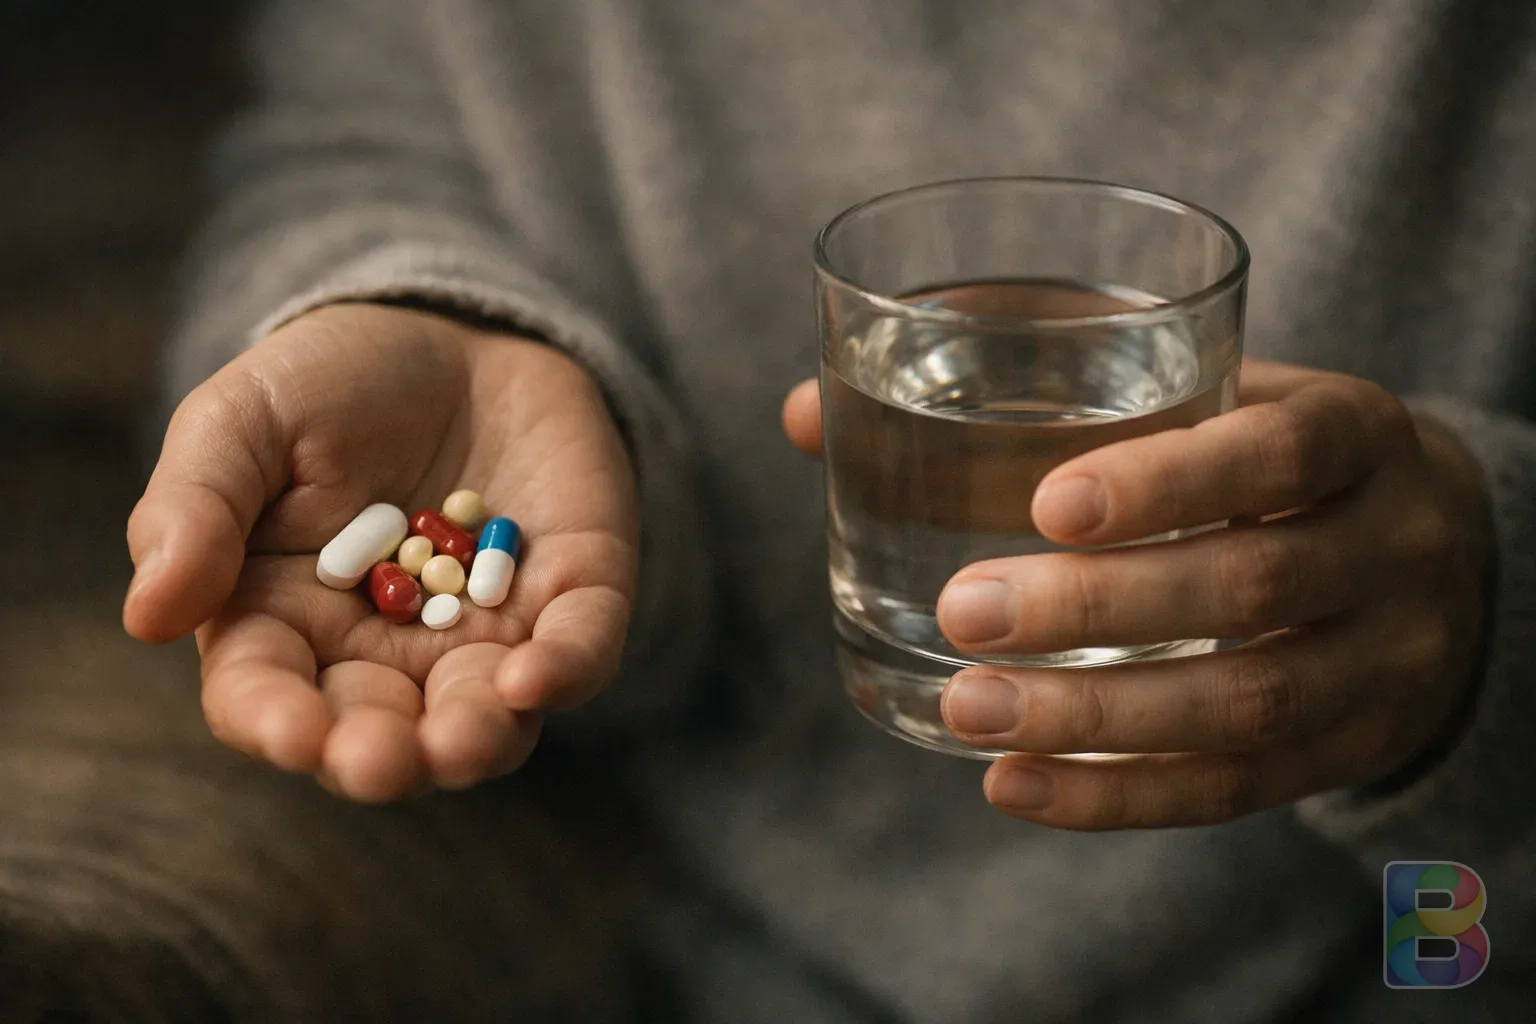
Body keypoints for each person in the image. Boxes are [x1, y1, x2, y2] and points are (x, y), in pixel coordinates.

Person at [122, 0, 1535, 1019]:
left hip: (1415, 956)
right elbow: (349, 143)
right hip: (717, 969)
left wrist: (1500, 621)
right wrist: (418, 307)